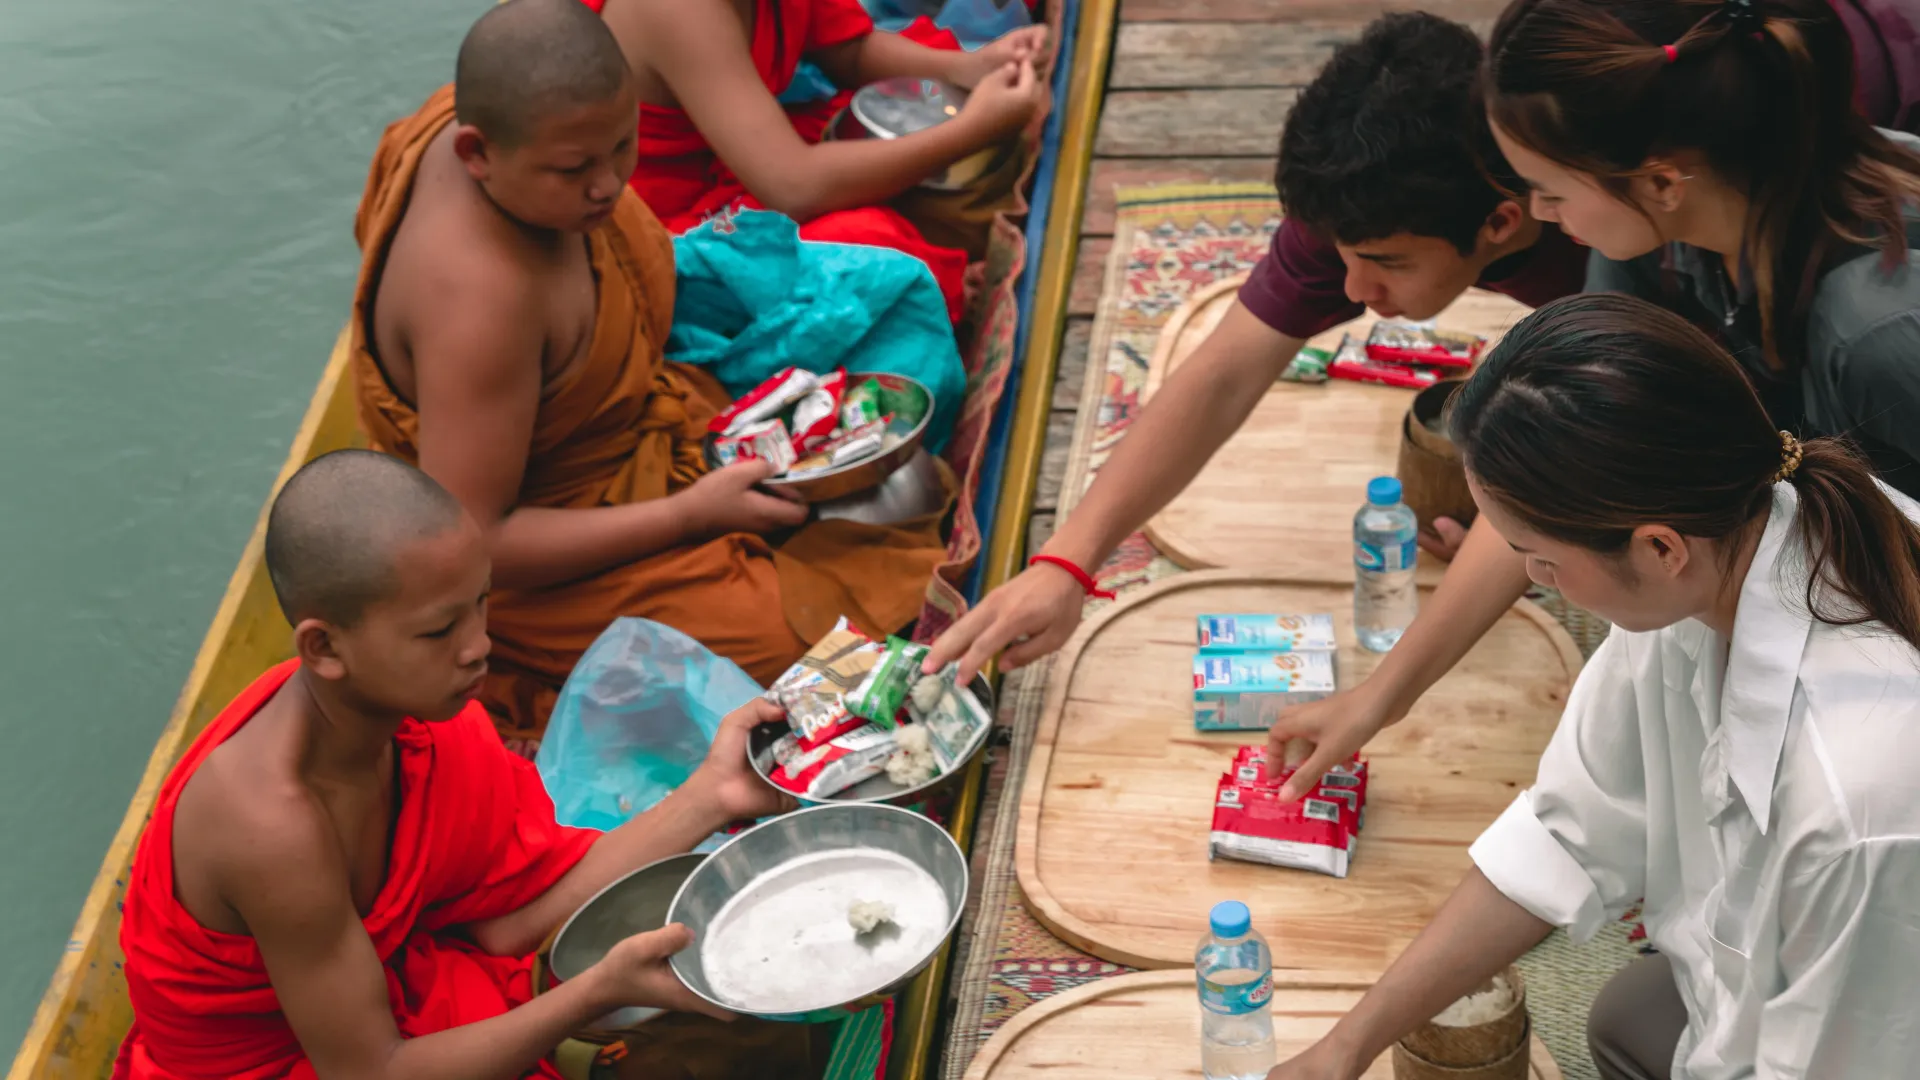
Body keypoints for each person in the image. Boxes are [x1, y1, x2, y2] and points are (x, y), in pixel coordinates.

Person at [1250, 0, 1920, 805]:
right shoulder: (1670, 230)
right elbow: (1551, 460)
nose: (1535, 215)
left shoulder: (1880, 334)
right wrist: (1383, 696)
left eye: (1547, 189)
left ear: (1663, 178)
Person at [1266, 294, 1920, 1080]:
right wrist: (1344, 1048)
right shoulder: (1716, 544)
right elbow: (1567, 829)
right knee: (1629, 1016)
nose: (1534, 580)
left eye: (1537, 560)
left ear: (1657, 547)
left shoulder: (1861, 801)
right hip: (1792, 998)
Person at [922, 12, 1590, 681]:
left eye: (1386, 263)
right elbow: (1222, 375)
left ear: (1504, 221)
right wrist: (1066, 561)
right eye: (1342, 257)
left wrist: (1529, 524)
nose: (1357, 291)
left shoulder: (1614, 242)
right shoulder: (1366, 209)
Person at [351, 0, 951, 744]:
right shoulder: (479, 303)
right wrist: (686, 518)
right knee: (817, 645)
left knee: (884, 440)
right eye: (575, 170)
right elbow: (472, 546)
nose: (607, 188)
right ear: (476, 153)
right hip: (536, 557)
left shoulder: (518, 131)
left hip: (640, 425)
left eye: (623, 148)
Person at [112, 450, 797, 1080]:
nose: (480, 648)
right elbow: (371, 1071)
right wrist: (595, 993)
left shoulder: (434, 731)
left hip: (395, 999)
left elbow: (507, 919)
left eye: (481, 603)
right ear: (323, 648)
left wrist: (714, 793)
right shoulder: (271, 825)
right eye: (440, 631)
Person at [590, 0, 1049, 319]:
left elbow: (849, 50)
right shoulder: (677, 11)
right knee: (868, 247)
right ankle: (935, 275)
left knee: (924, 95)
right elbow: (794, 188)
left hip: (758, 152)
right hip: (684, 229)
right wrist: (970, 131)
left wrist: (968, 68)